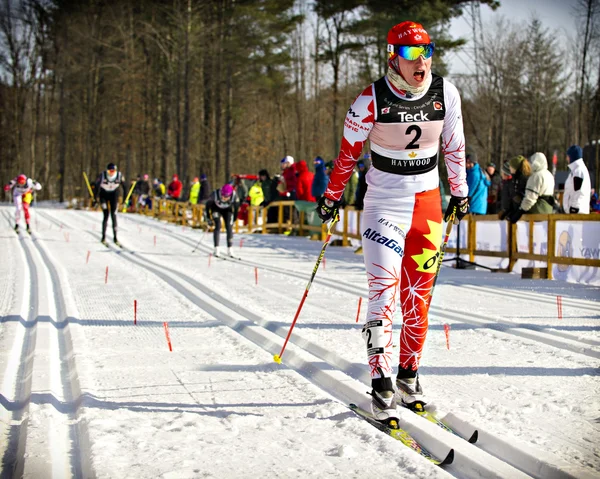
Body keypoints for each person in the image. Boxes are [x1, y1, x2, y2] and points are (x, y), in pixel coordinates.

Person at [315, 21, 468, 423]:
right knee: (384, 292)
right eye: (411, 54)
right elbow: (347, 155)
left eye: (427, 50)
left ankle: (408, 376)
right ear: (392, 58)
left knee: (419, 298)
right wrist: (332, 198)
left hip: (428, 206)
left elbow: (454, 145)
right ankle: (381, 380)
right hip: (384, 205)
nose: (422, 61)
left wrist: (461, 191)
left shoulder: (445, 93)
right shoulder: (370, 100)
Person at [507, 152, 555, 223]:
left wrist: (520, 211)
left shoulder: (536, 176)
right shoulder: (549, 175)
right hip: (547, 210)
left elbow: (530, 197)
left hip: (536, 212)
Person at [95, 162, 126, 245]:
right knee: (106, 215)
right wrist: (96, 198)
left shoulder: (119, 175)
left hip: (114, 195)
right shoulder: (102, 175)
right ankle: (103, 237)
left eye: (113, 171)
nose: (111, 173)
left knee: (114, 215)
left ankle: (115, 238)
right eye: (110, 171)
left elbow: (125, 187)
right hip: (104, 195)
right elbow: (97, 186)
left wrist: (125, 200)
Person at [205, 183, 240, 257]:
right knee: (218, 226)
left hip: (227, 210)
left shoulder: (234, 196)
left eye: (226, 197)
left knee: (229, 227)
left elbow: (236, 209)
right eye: (223, 195)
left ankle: (230, 249)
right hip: (216, 209)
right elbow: (207, 206)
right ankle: (216, 249)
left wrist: (234, 218)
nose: (224, 198)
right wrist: (208, 218)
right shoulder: (215, 194)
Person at [562, 145, 591, 214]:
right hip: (575, 210)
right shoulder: (576, 170)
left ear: (572, 157)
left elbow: (578, 191)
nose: (566, 158)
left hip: (577, 211)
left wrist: (574, 208)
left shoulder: (578, 171)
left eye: (568, 156)